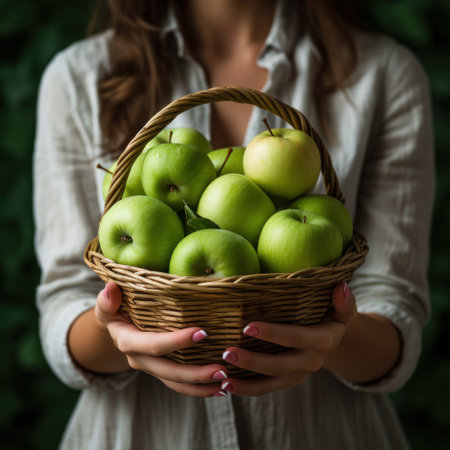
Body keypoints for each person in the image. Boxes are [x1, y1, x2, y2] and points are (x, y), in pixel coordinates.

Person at [33, 0, 434, 448]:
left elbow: (395, 314)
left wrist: (337, 338)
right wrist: (119, 335)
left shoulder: (383, 73)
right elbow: (64, 304)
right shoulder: (78, 78)